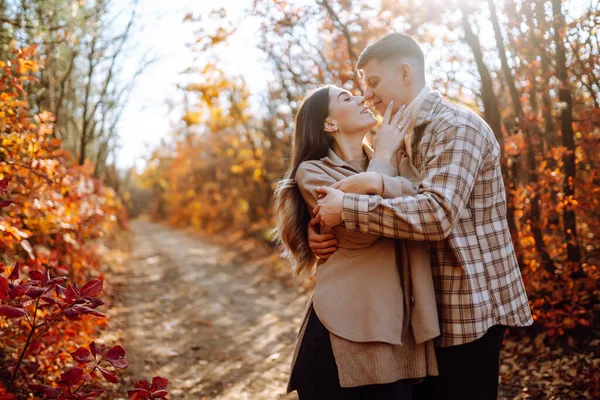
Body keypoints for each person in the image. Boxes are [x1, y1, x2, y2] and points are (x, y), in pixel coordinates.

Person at [310, 32, 533, 400]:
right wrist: (317, 226)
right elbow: (381, 205)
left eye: (375, 82)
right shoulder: (399, 136)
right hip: (421, 315)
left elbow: (435, 214)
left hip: (468, 307)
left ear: (404, 72)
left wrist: (346, 209)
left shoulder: (455, 127)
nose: (367, 95)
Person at [274, 85, 440, 399]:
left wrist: (379, 167)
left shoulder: (397, 156)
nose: (360, 98)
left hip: (400, 319)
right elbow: (363, 231)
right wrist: (381, 164)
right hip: (348, 322)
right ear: (329, 124)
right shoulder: (313, 171)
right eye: (345, 98)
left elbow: (420, 200)